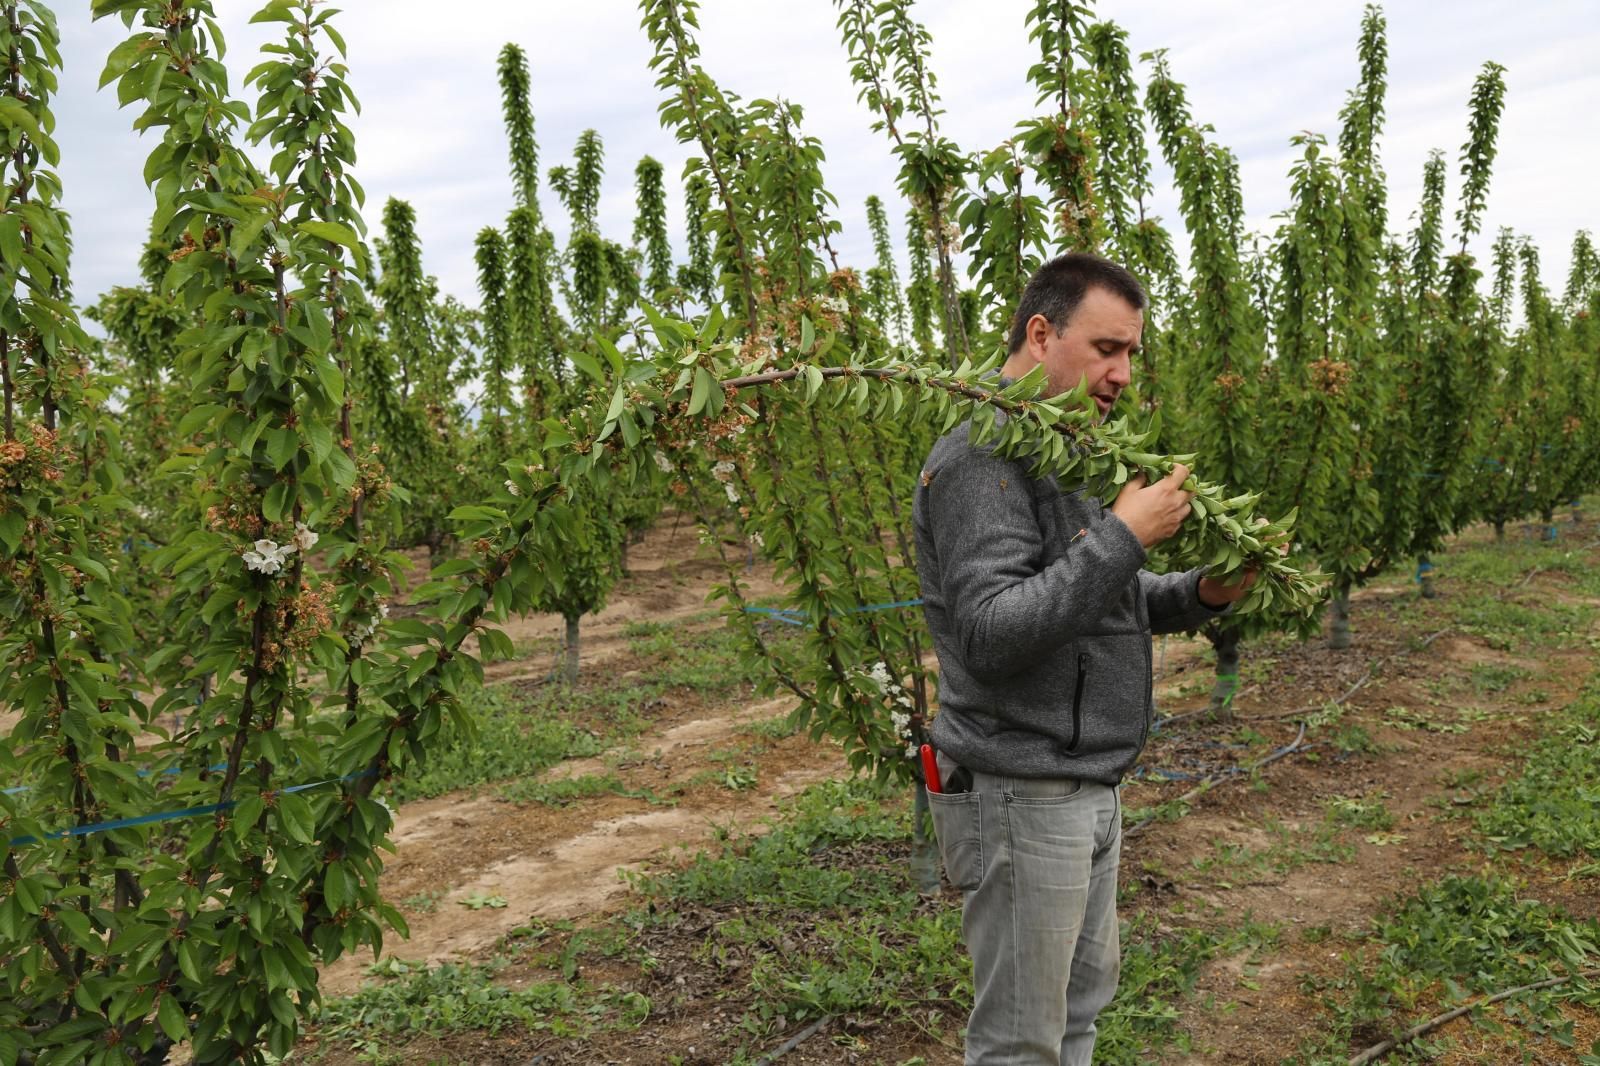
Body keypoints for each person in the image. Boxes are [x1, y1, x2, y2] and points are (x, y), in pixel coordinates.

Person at [912, 252, 1258, 1065]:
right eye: (1107, 348)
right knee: (1021, 1042)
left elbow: (1101, 601)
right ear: (1041, 334)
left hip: (1084, 785)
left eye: (1132, 352)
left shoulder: (1065, 451)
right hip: (1022, 792)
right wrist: (1124, 535)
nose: (1123, 373)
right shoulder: (981, 461)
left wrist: (1202, 594)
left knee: (1077, 1016)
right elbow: (993, 633)